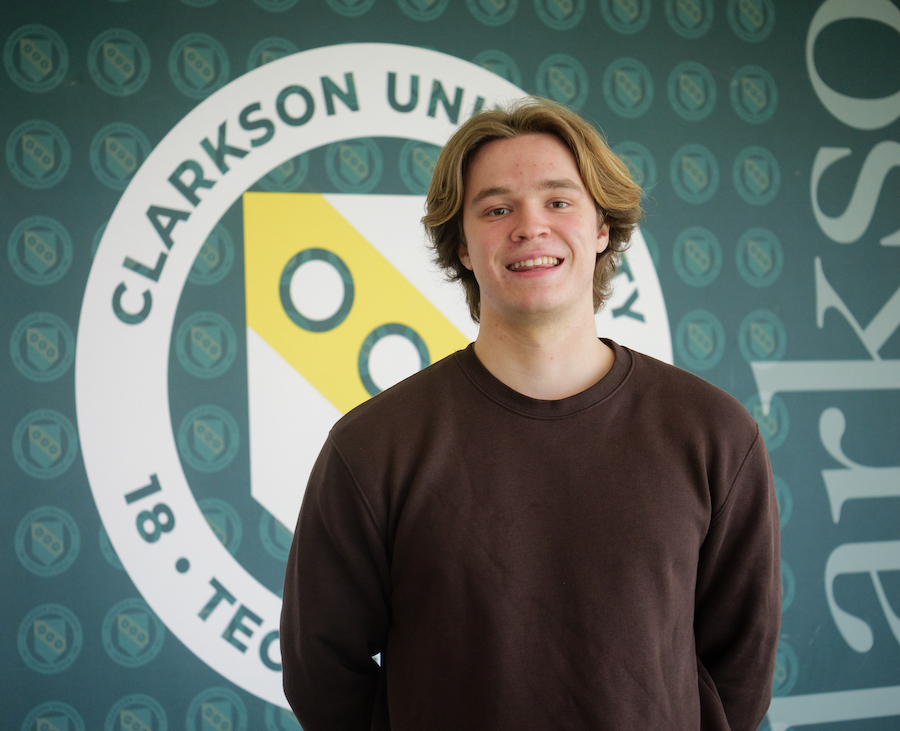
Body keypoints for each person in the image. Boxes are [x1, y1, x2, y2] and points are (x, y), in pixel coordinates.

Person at [281, 97, 781, 731]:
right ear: (461, 245)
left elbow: (741, 666)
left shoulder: (715, 435)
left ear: (602, 227)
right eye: (496, 208)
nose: (529, 227)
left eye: (560, 201)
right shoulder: (374, 447)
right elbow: (319, 667)